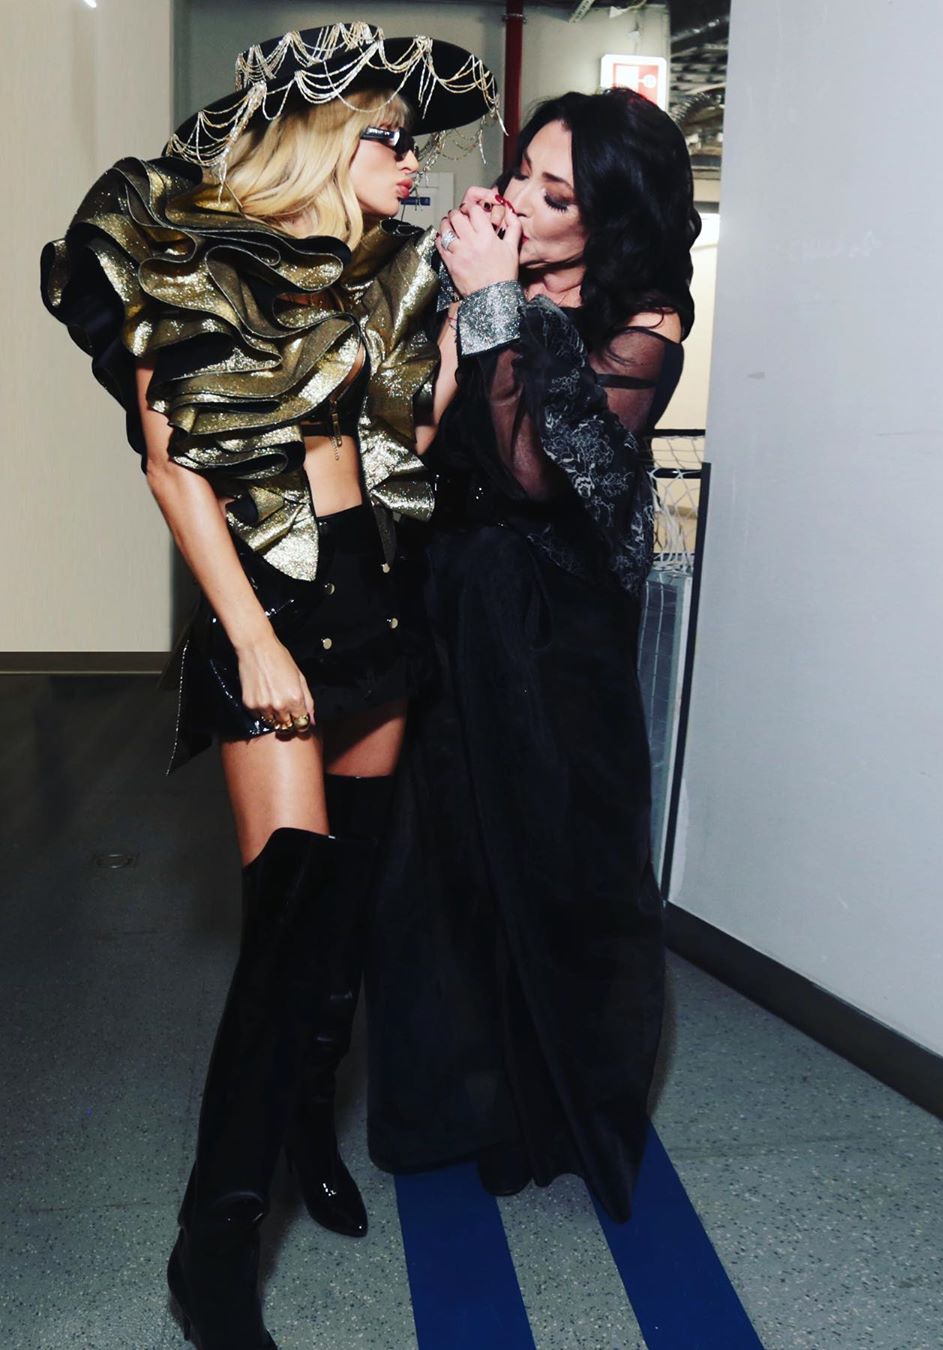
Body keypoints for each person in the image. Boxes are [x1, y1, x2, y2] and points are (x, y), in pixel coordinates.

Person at [41, 22, 497, 1348]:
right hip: (272, 609)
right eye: (389, 138)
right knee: (292, 918)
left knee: (340, 924)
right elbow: (170, 464)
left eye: (413, 142)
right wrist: (248, 639)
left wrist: (477, 313)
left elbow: (421, 436)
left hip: (377, 596)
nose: (411, 162)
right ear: (323, 140)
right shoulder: (192, 255)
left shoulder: (388, 270)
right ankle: (217, 1239)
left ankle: (307, 1129)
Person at [365, 88, 700, 1223]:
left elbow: (534, 474)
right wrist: (446, 312)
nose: (519, 199)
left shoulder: (643, 320)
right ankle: (448, 1108)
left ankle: (553, 1109)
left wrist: (494, 303)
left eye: (557, 195)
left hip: (555, 623)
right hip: (450, 594)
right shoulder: (469, 273)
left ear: (609, 221)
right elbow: (414, 437)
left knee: (558, 852)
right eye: (522, 172)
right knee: (442, 851)